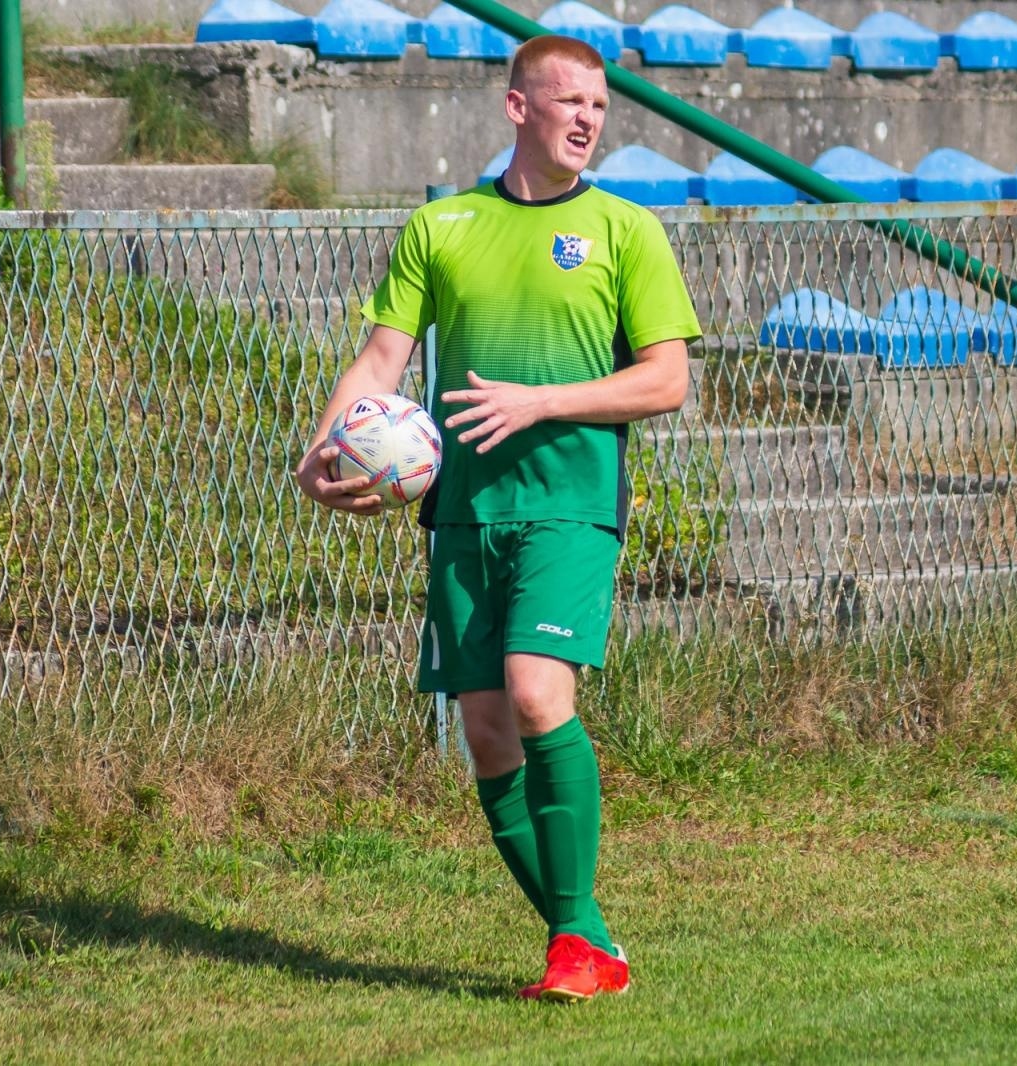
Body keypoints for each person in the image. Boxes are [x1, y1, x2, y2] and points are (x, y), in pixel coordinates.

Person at [294, 34, 701, 1003]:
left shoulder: (626, 230)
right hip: (464, 512)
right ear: (517, 108)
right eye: (568, 103)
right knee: (484, 732)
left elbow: (667, 379)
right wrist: (321, 445)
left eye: (599, 108)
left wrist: (541, 401)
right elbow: (380, 361)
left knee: (531, 691)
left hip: (567, 507)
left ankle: (578, 943)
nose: (587, 121)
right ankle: (583, 941)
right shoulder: (444, 226)